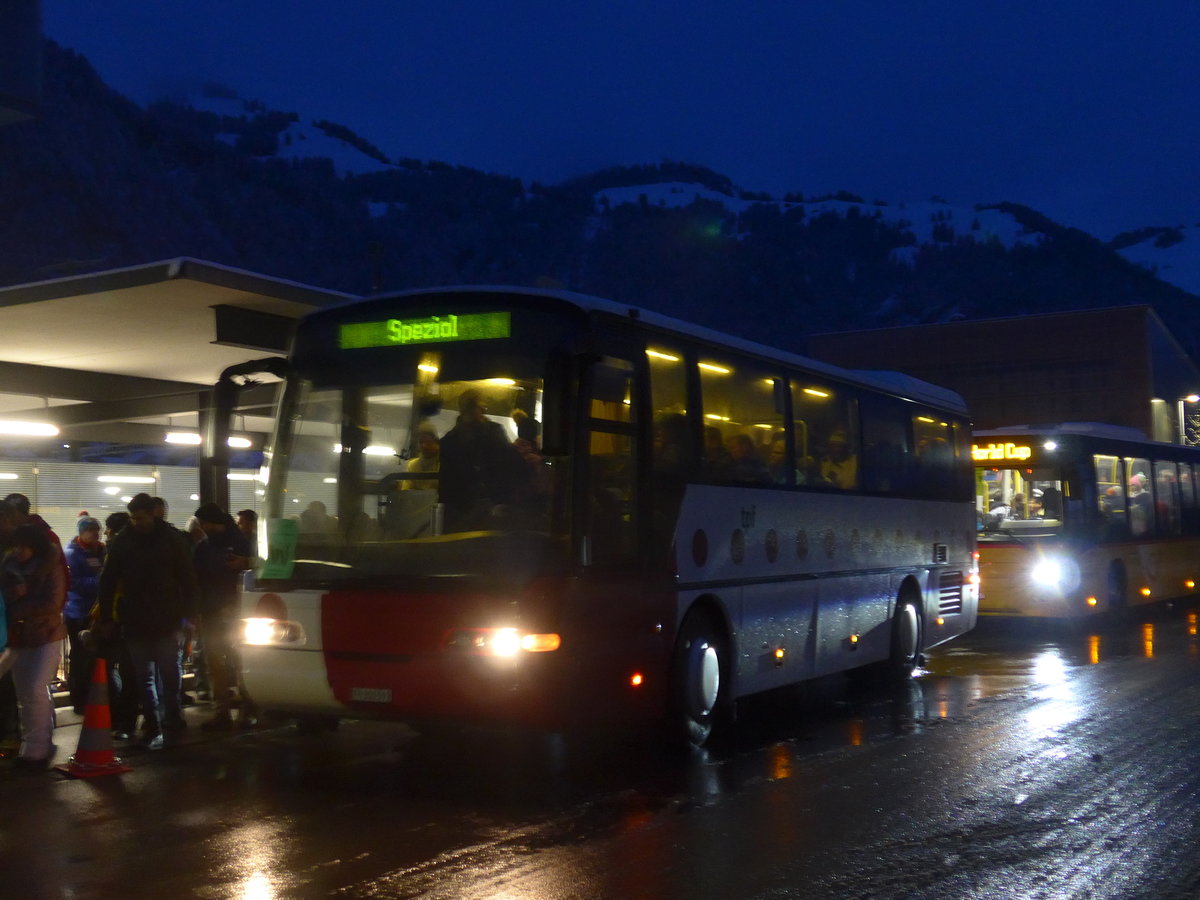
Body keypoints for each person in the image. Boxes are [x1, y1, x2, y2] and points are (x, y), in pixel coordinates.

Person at [96, 493, 199, 749]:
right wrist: (107, 616)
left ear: (152, 513)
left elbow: (188, 579)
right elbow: (107, 582)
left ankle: (166, 719)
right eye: (133, 518)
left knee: (158, 674)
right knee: (152, 675)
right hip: (152, 618)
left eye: (139, 517)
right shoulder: (167, 540)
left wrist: (190, 614)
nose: (136, 522)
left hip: (157, 618)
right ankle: (160, 721)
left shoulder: (132, 542)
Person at [0, 523, 67, 770]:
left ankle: (36, 751)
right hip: (19, 637)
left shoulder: (51, 567)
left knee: (34, 689)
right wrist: (12, 597)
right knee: (26, 693)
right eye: (16, 546)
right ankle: (35, 747)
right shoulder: (9, 565)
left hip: (45, 635)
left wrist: (18, 604)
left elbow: (53, 603)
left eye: (23, 547)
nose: (19, 551)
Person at [191, 502, 254, 730]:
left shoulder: (236, 543)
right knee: (222, 662)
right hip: (214, 611)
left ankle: (241, 710)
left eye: (204, 523)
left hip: (231, 611)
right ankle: (231, 711)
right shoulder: (206, 546)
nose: (202, 528)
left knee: (234, 661)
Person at [437, 390, 529, 530]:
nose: (483, 411)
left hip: (459, 512)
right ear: (476, 408)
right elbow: (512, 464)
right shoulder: (494, 433)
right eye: (482, 407)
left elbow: (445, 485)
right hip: (491, 509)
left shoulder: (449, 441)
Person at [64, 515, 104, 714]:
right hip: (78, 612)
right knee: (80, 657)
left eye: (97, 529)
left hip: (96, 612)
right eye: (90, 529)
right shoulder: (72, 554)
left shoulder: (101, 550)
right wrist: (101, 580)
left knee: (94, 657)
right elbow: (73, 582)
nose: (95, 533)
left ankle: (94, 697)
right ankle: (80, 700)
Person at [403, 424, 440, 490]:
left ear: (437, 443)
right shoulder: (413, 465)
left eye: (428, 442)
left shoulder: (446, 464)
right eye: (421, 442)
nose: (424, 445)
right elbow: (406, 491)